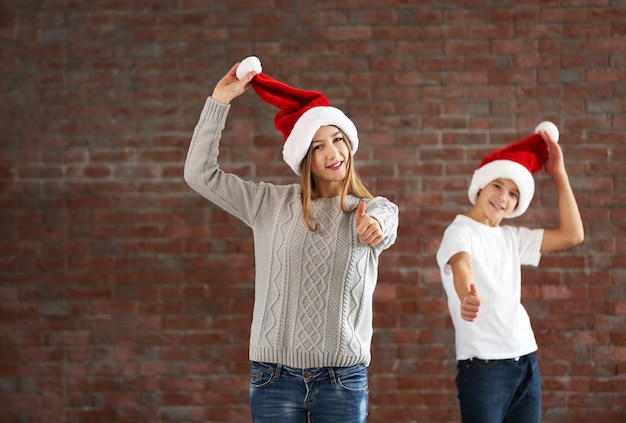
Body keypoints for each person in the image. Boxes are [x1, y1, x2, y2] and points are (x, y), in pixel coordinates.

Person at [184, 56, 398, 423]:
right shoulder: (269, 204)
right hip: (273, 378)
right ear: (303, 157)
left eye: (337, 139)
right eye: (317, 147)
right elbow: (200, 175)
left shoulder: (370, 209)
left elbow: (386, 218)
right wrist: (219, 101)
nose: (333, 153)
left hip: (342, 379)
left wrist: (376, 225)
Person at [436, 122, 584, 423]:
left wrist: (559, 175)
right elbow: (461, 264)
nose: (503, 197)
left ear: (518, 204)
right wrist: (467, 294)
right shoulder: (460, 231)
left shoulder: (512, 238)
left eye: (514, 193)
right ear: (481, 186)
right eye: (497, 185)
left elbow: (573, 234)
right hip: (484, 367)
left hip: (526, 358)